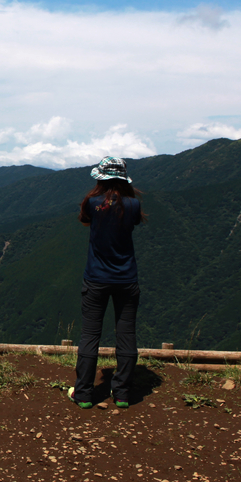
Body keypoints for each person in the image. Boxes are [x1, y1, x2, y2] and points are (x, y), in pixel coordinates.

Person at [69, 156, 146, 409]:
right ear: (124, 180)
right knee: (126, 334)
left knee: (90, 335)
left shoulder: (92, 203)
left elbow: (85, 221)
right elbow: (131, 221)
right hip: (126, 278)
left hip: (96, 278)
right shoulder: (133, 205)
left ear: (100, 178)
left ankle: (83, 394)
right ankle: (122, 393)